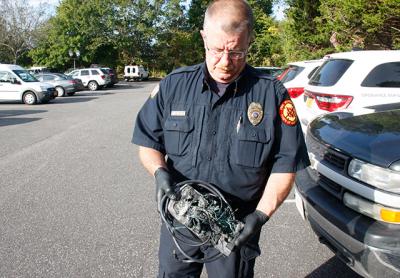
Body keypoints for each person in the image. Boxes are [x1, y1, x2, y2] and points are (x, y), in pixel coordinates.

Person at [132, 0, 310, 276]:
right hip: (181, 218)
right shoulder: (174, 86)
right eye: (216, 50)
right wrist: (159, 173)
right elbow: (148, 143)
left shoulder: (272, 95)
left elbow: (286, 164)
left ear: (250, 41)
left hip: (235, 228)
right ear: (203, 37)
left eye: (237, 52)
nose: (225, 62)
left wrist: (260, 216)